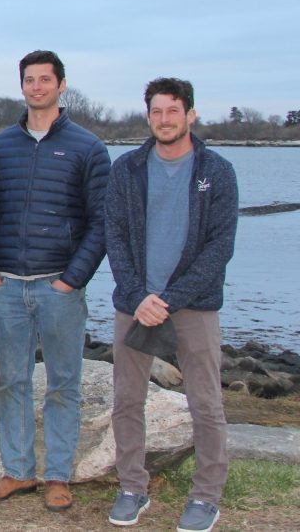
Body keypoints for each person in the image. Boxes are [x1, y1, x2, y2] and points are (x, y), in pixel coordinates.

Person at [0, 50, 111, 511]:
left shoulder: (88, 147)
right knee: (10, 381)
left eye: (45, 80)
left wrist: (73, 280)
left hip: (59, 286)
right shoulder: (0, 146)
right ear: (22, 86)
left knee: (63, 384)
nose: (37, 87)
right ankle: (17, 471)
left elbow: (101, 222)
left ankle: (57, 475)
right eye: (29, 80)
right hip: (7, 285)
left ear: (61, 85)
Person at [105, 78, 237, 532]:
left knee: (205, 402)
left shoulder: (216, 171)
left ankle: (206, 496)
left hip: (194, 306)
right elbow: (115, 237)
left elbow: (220, 247)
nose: (164, 119)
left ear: (190, 115)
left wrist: (170, 299)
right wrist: (140, 296)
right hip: (134, 304)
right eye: (157, 111)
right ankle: (131, 486)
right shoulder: (126, 169)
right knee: (127, 400)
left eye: (173, 111)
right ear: (149, 117)